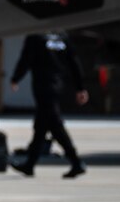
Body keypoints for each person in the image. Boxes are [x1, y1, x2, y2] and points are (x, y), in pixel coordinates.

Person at [10, 31, 88, 178]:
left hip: (43, 87)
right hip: (58, 86)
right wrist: (80, 87)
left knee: (56, 126)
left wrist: (16, 77)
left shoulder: (35, 36)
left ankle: (76, 162)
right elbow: (74, 62)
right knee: (41, 127)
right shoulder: (63, 37)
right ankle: (29, 165)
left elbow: (25, 58)